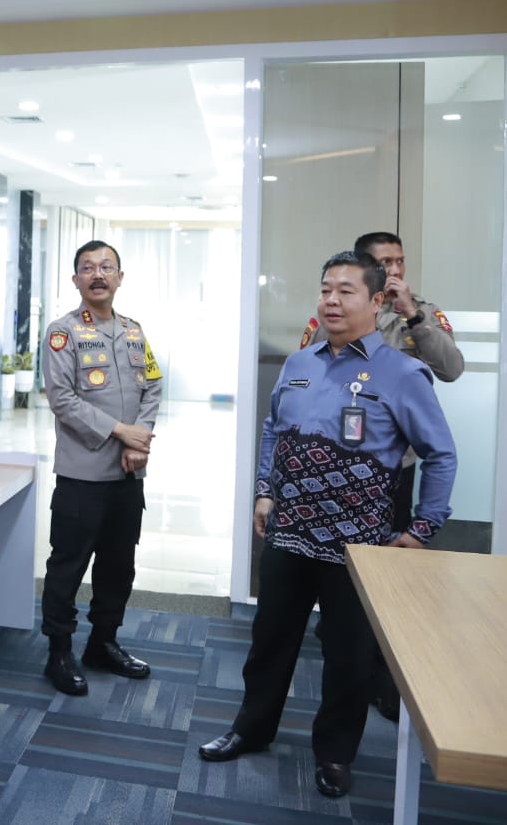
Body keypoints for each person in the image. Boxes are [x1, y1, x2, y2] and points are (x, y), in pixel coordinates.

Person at [198, 251, 456, 799]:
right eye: (325, 290)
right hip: (289, 534)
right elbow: (273, 429)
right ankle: (251, 728)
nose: (331, 301)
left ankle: (335, 754)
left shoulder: (404, 373)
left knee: (348, 657)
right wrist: (265, 490)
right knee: (269, 643)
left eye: (345, 291)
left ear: (377, 300)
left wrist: (422, 529)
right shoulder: (300, 363)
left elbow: (441, 454)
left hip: (358, 547)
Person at [301, 233, 463, 718]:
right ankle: (343, 643)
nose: (393, 270)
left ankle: (383, 671)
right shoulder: (334, 313)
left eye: (399, 261)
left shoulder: (422, 312)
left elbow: (452, 368)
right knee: (341, 568)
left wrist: (411, 313)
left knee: (388, 569)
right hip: (336, 467)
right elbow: (312, 370)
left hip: (396, 466)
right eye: (383, 262)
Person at [38, 240, 162, 695]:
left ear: (120, 278)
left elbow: (153, 386)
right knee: (67, 567)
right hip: (82, 476)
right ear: (76, 280)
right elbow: (62, 399)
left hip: (128, 475)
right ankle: (59, 652)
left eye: (107, 267)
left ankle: (103, 643)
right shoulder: (62, 333)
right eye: (88, 268)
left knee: (119, 566)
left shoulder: (134, 331)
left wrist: (139, 437)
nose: (98, 274)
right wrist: (121, 432)